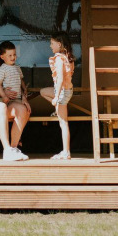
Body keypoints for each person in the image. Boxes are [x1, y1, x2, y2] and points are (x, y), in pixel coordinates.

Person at [0, 41, 31, 150]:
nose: (13, 57)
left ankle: (16, 137)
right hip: (5, 97)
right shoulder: (2, 69)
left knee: (26, 111)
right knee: (0, 113)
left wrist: (24, 90)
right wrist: (4, 96)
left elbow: (21, 81)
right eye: (10, 55)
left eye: (14, 54)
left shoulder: (17, 67)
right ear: (2, 57)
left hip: (17, 98)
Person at [40, 31, 75, 160]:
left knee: (63, 123)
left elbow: (60, 79)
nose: (50, 46)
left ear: (59, 44)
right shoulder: (67, 57)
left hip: (62, 92)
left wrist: (56, 97)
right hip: (67, 91)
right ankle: (56, 109)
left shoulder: (59, 58)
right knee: (43, 91)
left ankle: (66, 152)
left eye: (52, 43)